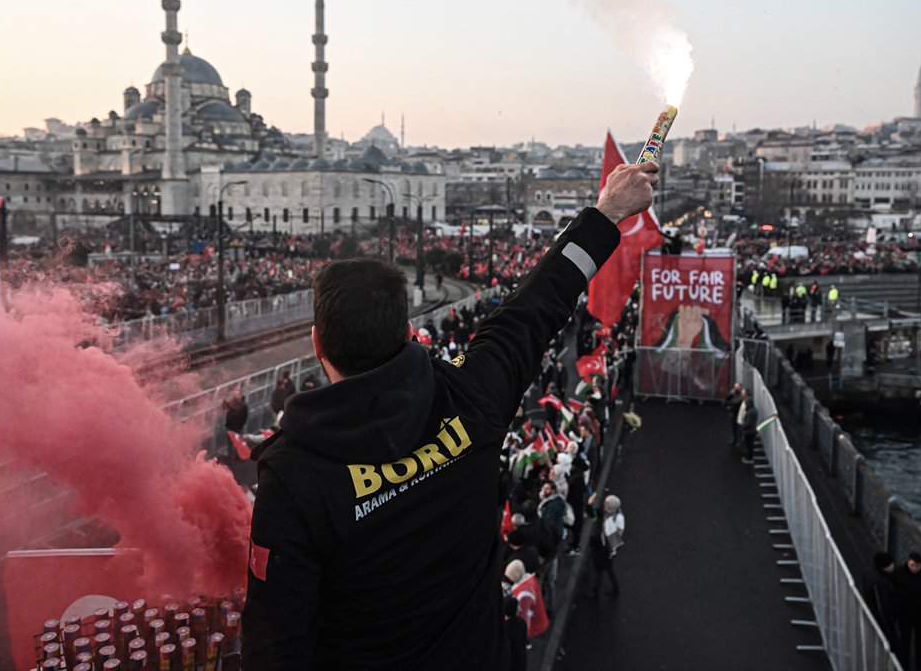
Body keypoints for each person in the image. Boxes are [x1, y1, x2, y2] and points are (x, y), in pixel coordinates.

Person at [242, 160, 658, 669]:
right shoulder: (471, 392)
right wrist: (608, 212)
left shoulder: (293, 475)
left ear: (317, 345)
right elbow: (539, 303)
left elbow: (275, 643)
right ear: (407, 332)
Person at [861, 551, 902, 659]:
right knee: (891, 645)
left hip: (871, 613)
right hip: (882, 621)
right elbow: (883, 607)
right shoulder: (881, 583)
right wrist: (890, 623)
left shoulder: (868, 572)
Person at [895, 551, 921, 671]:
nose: (914, 568)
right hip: (905, 614)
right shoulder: (900, 573)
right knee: (905, 642)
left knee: (920, 644)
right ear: (908, 562)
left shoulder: (900, 572)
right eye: (912, 565)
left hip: (920, 615)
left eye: (917, 566)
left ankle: (918, 667)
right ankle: (903, 666)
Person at [584, 494, 624, 599]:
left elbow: (611, 537)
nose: (604, 505)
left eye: (606, 503)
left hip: (604, 549)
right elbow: (593, 515)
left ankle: (596, 592)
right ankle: (615, 588)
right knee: (608, 568)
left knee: (599, 569)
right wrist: (589, 505)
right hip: (605, 548)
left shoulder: (615, 520)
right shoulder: (609, 513)